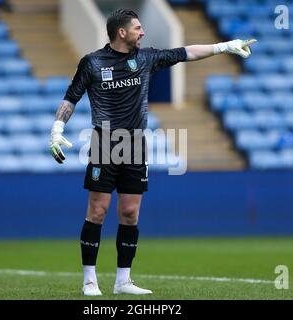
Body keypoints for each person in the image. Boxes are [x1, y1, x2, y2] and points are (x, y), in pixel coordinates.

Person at [49, 8, 256, 296]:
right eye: (137, 28)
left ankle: (123, 281)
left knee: (130, 213)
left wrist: (224, 47)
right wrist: (57, 130)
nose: (142, 32)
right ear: (122, 32)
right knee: (98, 210)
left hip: (135, 144)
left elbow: (186, 53)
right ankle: (89, 280)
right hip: (105, 142)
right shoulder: (93, 63)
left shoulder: (145, 58)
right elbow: (71, 97)